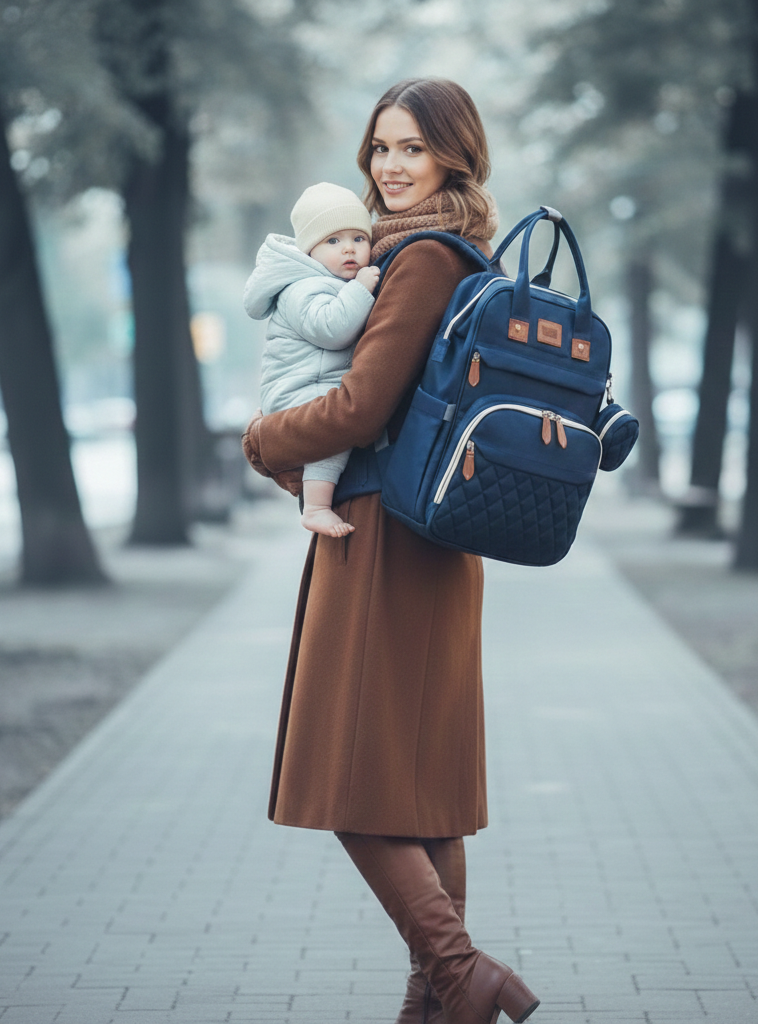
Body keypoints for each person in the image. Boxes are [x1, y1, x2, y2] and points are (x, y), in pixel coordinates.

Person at [242, 78, 540, 1024]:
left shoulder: (415, 260)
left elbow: (363, 408)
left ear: (455, 153)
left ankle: (461, 974)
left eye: (412, 148)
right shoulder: (459, 254)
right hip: (436, 541)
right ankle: (437, 1001)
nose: (391, 167)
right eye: (379, 148)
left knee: (354, 776)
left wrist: (262, 440)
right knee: (423, 789)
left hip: (382, 541)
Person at [244, 182, 380, 538]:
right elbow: (331, 329)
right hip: (296, 390)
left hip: (311, 381)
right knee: (333, 433)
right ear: (310, 250)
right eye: (333, 241)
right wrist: (362, 290)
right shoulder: (301, 287)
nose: (348, 248)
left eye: (358, 239)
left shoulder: (330, 282)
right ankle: (317, 507)